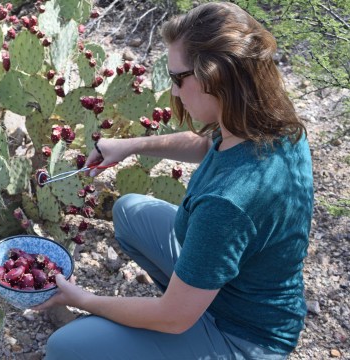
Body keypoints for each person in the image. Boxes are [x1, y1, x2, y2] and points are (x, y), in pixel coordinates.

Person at [33, 2, 314, 359]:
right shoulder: (277, 126)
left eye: (179, 78)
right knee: (130, 210)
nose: (176, 92)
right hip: (235, 287)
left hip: (244, 336)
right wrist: (130, 146)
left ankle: (193, 321)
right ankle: (192, 299)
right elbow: (208, 144)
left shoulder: (227, 203)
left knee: (66, 347)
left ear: (217, 77)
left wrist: (82, 299)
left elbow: (172, 318)